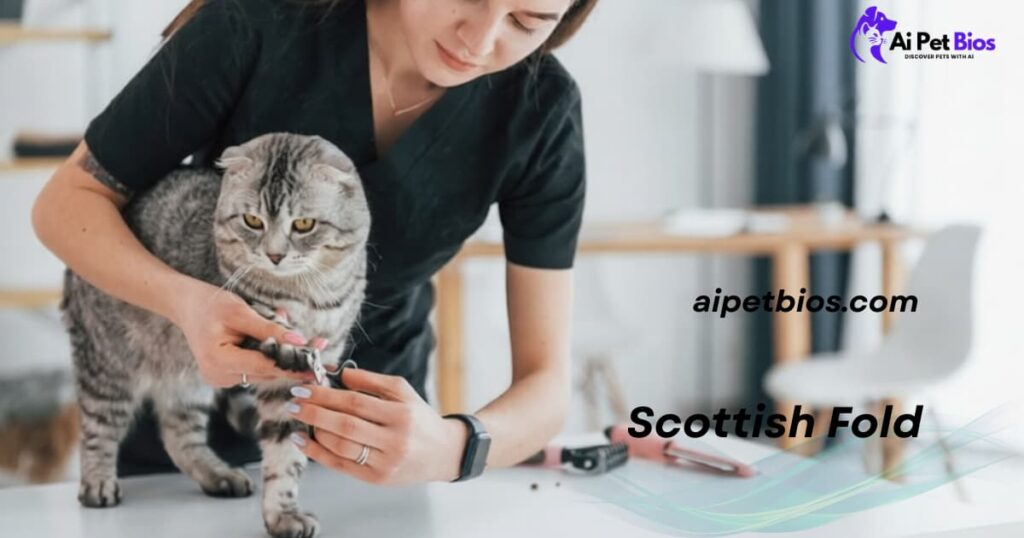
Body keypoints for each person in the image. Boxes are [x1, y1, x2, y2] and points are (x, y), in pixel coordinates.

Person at [31, 0, 595, 485]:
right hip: (183, 441)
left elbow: (546, 388)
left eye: (527, 20)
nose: (479, 40)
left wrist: (451, 448)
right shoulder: (260, 22)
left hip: (371, 456)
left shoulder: (541, 111)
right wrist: (188, 303)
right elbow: (66, 203)